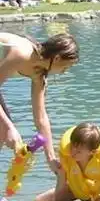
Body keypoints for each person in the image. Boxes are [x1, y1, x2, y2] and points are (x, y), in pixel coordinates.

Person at [0, 32, 79, 168]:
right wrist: (9, 127)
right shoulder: (21, 54)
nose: (64, 71)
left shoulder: (39, 75)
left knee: (2, 133)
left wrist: (51, 159)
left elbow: (41, 118)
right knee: (4, 129)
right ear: (57, 58)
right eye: (66, 67)